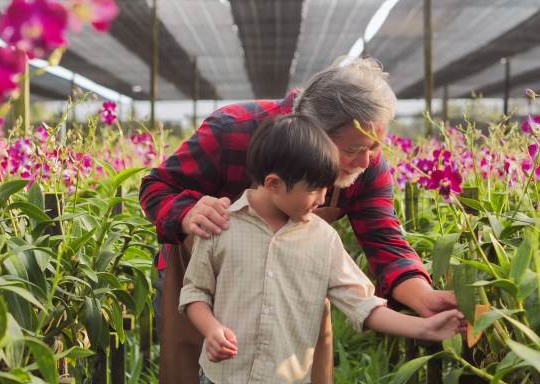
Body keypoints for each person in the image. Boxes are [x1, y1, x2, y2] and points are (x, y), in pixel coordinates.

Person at [139, 57, 460, 383]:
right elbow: (156, 187)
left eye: (374, 148)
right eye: (354, 149)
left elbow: (384, 240)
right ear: (315, 134)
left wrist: (424, 299)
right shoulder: (233, 131)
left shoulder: (364, 166)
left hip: (295, 297)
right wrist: (187, 212)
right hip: (204, 282)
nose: (366, 161)